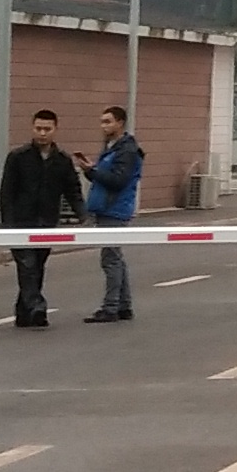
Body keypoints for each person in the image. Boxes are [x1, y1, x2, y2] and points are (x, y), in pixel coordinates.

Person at [0, 108, 84, 328]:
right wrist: (8, 223)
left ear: (55, 129)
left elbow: (72, 191)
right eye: (38, 128)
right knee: (27, 265)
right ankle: (38, 306)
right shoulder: (18, 157)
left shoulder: (62, 160)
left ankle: (23, 313)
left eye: (47, 129)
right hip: (21, 223)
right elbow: (6, 192)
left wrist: (83, 216)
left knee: (36, 267)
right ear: (32, 128)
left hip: (46, 223)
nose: (42, 133)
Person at [83, 104, 146, 322]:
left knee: (110, 259)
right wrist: (90, 171)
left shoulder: (126, 151)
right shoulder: (112, 147)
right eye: (102, 122)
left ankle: (110, 308)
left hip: (115, 208)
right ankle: (123, 306)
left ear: (120, 123)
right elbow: (105, 177)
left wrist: (93, 172)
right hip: (107, 207)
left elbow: (118, 181)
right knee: (115, 257)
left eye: (108, 122)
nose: (103, 126)